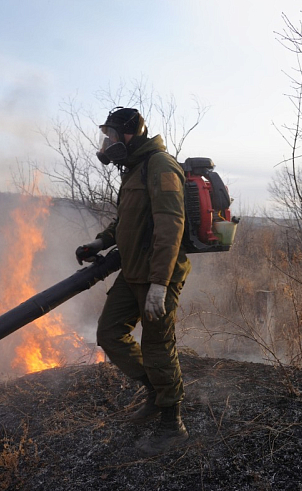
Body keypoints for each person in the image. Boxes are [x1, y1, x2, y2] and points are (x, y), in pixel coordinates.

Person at [75, 107, 191, 456]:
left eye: (111, 136)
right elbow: (128, 220)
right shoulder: (135, 169)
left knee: (158, 346)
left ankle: (173, 424)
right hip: (133, 271)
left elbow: (171, 224)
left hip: (158, 274)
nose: (107, 143)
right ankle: (156, 393)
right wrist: (101, 241)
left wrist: (160, 282)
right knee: (110, 333)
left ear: (130, 134)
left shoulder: (160, 165)